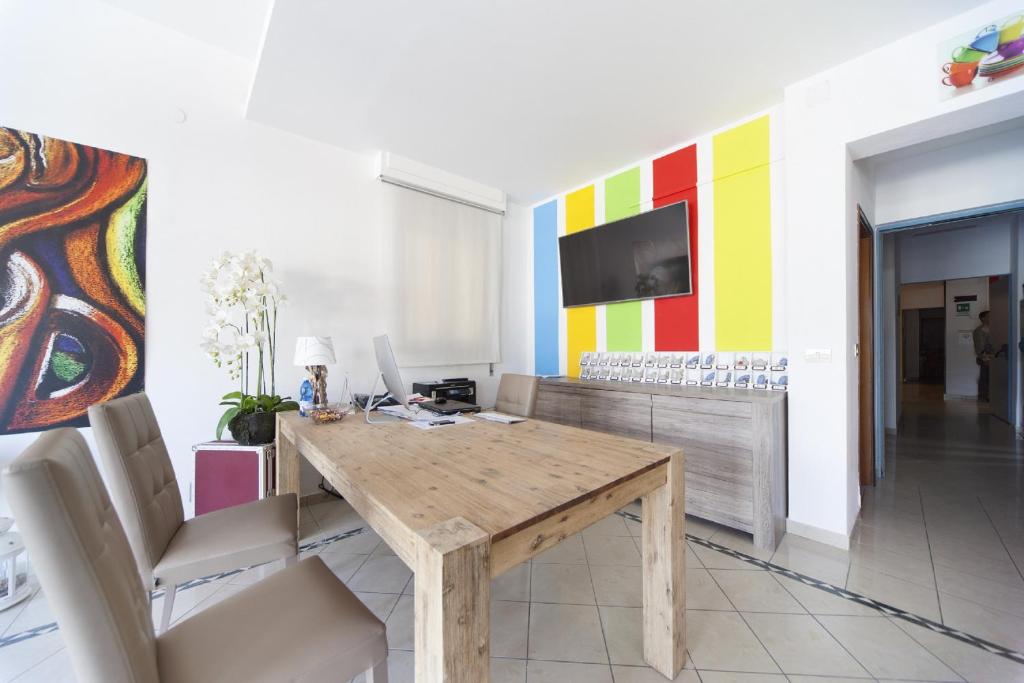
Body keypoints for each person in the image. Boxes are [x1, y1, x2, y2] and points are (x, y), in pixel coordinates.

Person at [973, 310, 993, 402]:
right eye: (989, 316)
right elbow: (979, 348)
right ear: (982, 318)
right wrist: (986, 359)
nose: (991, 317)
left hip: (994, 358)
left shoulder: (994, 328)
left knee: (991, 377)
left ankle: (990, 395)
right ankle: (985, 396)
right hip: (986, 359)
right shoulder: (979, 331)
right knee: (985, 377)